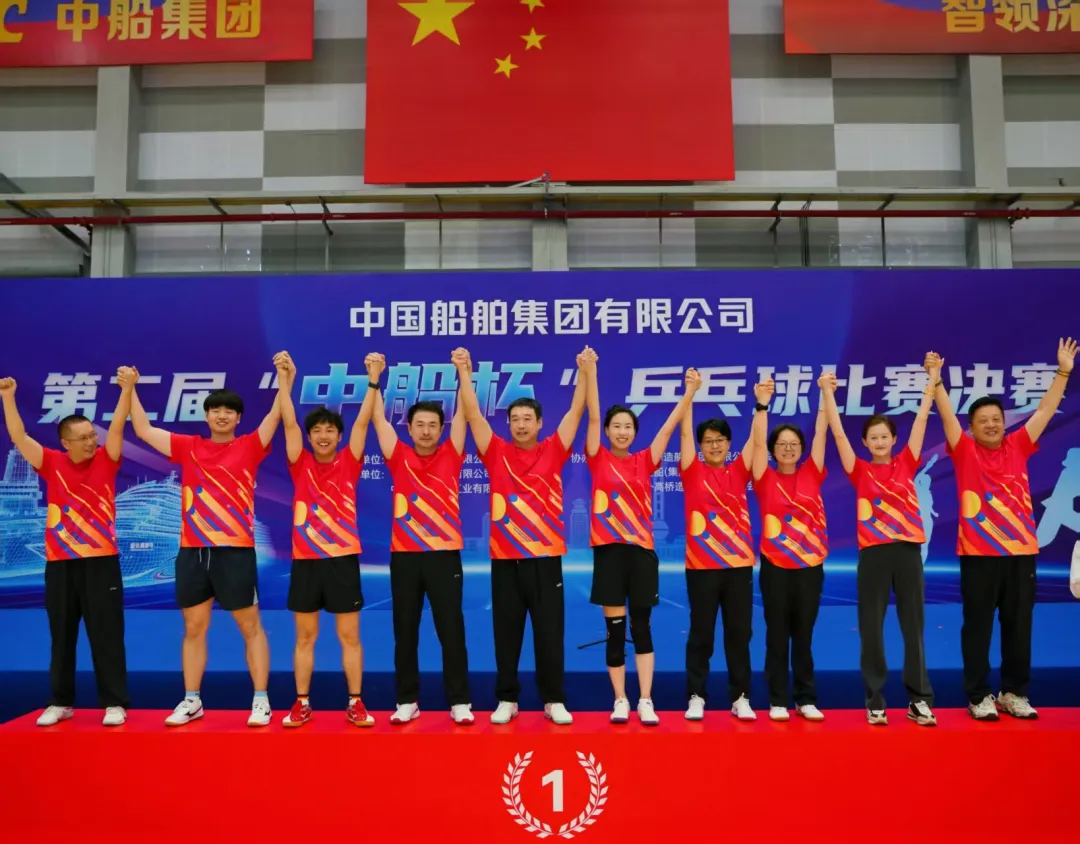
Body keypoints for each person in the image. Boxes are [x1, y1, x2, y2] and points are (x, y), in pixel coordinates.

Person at [927, 339, 1076, 721]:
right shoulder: (964, 450)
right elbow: (946, 416)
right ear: (971, 428)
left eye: (996, 418)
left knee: (1018, 626)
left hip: (1021, 554)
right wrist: (936, 381)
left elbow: (1044, 411)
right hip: (978, 555)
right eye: (983, 420)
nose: (992, 424)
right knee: (977, 627)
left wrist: (1063, 371)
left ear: (1003, 422)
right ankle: (979, 695)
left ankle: (1014, 692)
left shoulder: (1019, 445)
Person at [128, 366, 281, 727]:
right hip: (193, 552)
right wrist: (130, 388)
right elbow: (143, 430)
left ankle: (261, 700)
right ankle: (192, 699)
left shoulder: (250, 445)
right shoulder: (189, 447)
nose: (222, 416)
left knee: (251, 627)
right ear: (207, 415)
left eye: (229, 411)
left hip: (235, 552)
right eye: (215, 410)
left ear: (238, 418)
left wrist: (285, 379)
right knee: (194, 627)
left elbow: (275, 417)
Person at [456, 346, 589, 726]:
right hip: (506, 561)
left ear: (540, 423)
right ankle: (507, 699)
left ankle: (554, 699)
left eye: (527, 418)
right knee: (507, 633)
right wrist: (465, 372)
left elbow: (576, 411)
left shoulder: (554, 450)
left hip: (546, 561)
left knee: (550, 633)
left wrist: (584, 372)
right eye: (514, 419)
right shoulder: (495, 451)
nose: (520, 424)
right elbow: (472, 414)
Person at [0, 370, 134, 727]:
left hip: (101, 562)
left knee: (106, 635)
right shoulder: (51, 463)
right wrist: (8, 397)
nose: (91, 442)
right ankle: (61, 702)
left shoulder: (107, 459)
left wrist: (126, 390)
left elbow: (118, 427)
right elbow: (18, 436)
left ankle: (114, 702)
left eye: (93, 436)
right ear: (65, 443)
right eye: (83, 438)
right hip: (60, 563)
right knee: (62, 636)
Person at [583, 358, 695, 726]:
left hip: (641, 555)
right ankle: (620, 699)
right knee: (615, 632)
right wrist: (591, 374)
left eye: (628, 427)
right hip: (609, 555)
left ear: (634, 432)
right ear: (608, 431)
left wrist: (689, 393)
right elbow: (593, 417)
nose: (621, 431)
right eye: (616, 426)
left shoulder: (645, 460)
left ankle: (646, 699)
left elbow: (668, 427)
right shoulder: (598, 458)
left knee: (642, 628)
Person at [821, 371, 936, 727]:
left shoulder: (907, 461)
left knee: (913, 627)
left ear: (894, 439)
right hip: (873, 555)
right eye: (874, 437)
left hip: (907, 552)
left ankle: (919, 700)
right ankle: (875, 701)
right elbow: (838, 433)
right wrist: (827, 393)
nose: (880, 441)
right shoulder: (859, 470)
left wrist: (932, 382)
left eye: (885, 436)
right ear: (866, 443)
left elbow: (921, 419)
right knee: (871, 628)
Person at [369, 351, 474, 726]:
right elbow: (377, 419)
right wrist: (374, 378)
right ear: (410, 429)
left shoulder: (452, 454)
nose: (426, 431)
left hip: (444, 556)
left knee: (451, 630)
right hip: (406, 557)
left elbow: (465, 414)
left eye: (433, 425)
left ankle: (460, 701)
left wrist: (463, 372)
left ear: (441, 430)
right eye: (420, 425)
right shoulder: (397, 455)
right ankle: (406, 700)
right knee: (405, 630)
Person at [275, 352, 376, 728]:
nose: (322, 436)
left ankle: (356, 703)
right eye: (316, 430)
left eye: (329, 430)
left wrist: (373, 379)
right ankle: (302, 703)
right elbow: (288, 422)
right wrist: (284, 379)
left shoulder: (350, 460)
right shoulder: (299, 461)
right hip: (306, 561)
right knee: (305, 637)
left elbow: (363, 420)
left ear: (339, 436)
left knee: (350, 636)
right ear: (309, 436)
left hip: (342, 560)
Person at [681, 377, 773, 723]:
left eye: (720, 440)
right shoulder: (691, 471)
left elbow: (758, 440)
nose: (715, 446)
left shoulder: (739, 470)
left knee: (739, 635)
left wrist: (761, 405)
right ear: (701, 446)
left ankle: (741, 697)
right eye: (708, 441)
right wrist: (689, 395)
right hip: (701, 568)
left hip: (737, 567)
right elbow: (684, 433)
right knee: (701, 634)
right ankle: (696, 696)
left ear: (729, 444)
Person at [752, 374, 830, 722]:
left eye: (793, 443)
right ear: (773, 449)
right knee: (777, 634)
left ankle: (805, 697)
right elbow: (756, 445)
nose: (787, 448)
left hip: (810, 566)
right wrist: (762, 405)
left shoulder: (813, 471)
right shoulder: (763, 477)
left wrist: (825, 396)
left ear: (801, 448)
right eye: (781, 444)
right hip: (775, 566)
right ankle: (777, 699)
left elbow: (822, 432)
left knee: (804, 634)